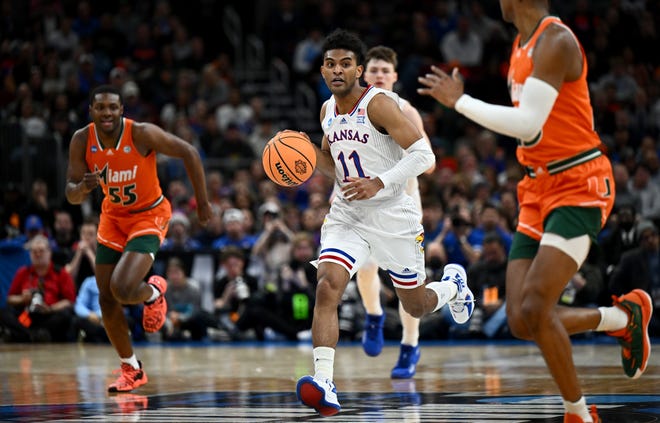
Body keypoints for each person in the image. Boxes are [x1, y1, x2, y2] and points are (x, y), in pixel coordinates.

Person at [418, 2, 652, 422]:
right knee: (520, 319)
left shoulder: (555, 41)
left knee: (537, 308)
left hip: (578, 184)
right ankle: (623, 316)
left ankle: (578, 413)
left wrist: (461, 102)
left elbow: (529, 124)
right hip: (537, 187)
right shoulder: (520, 42)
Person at [295, 29, 474, 417]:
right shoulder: (327, 111)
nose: (337, 70)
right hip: (348, 215)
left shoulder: (379, 105)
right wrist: (304, 155)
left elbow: (423, 155)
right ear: (323, 70)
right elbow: (333, 165)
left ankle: (452, 287)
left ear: (359, 69)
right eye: (330, 64)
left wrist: (380, 181)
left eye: (346, 63)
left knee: (415, 304)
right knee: (328, 285)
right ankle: (324, 380)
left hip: (394, 216)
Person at [65, 85, 212, 392]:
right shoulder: (82, 140)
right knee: (107, 297)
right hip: (113, 218)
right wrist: (83, 188)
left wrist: (203, 202)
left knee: (121, 287)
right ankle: (132, 368)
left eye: (112, 108)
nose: (107, 113)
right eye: (100, 107)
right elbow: (72, 194)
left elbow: (189, 151)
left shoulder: (141, 134)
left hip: (149, 214)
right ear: (91, 111)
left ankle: (152, 295)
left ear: (122, 111)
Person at [356, 45, 435, 379]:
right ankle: (374, 315)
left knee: (408, 286)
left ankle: (409, 344)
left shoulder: (406, 111)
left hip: (401, 205)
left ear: (394, 77)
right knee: (363, 268)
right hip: (364, 205)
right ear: (364, 74)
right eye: (373, 70)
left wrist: (390, 174)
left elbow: (428, 163)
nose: (379, 76)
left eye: (384, 71)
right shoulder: (350, 109)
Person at [0, 234, 76, 343]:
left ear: (49, 252)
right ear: (29, 254)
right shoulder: (23, 272)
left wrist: (50, 308)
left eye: (41, 251)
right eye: (34, 252)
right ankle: (32, 335)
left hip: (49, 317)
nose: (38, 254)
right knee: (4, 312)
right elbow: (10, 299)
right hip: (27, 317)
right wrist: (22, 299)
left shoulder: (61, 273)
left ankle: (25, 335)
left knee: (66, 315)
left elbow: (69, 302)